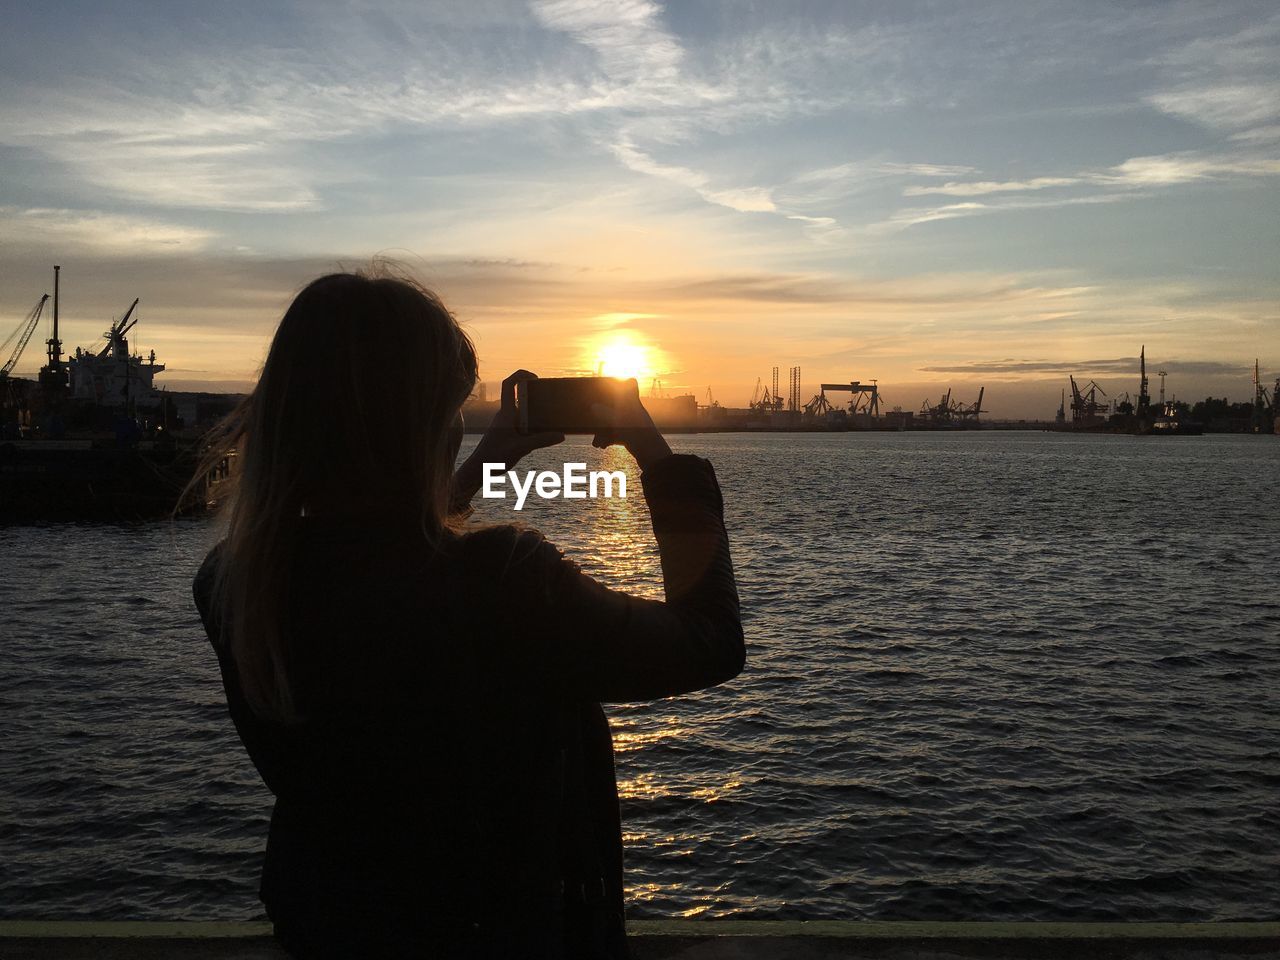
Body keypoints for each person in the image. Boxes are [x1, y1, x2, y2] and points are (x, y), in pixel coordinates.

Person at [189, 269, 744, 959]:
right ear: (416, 425)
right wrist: (656, 454)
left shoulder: (234, 590)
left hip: (330, 937)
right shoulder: (507, 584)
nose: (459, 425)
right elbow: (709, 641)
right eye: (452, 407)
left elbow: (378, 556)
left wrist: (485, 464)